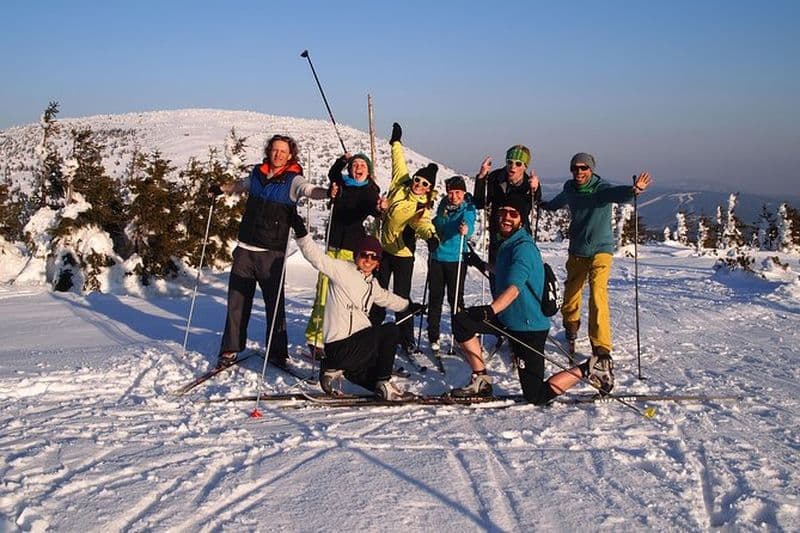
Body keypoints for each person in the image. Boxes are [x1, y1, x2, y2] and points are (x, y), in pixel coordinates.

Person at [450, 196, 604, 402]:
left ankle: (591, 368)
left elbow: (514, 289)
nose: (506, 217)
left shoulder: (523, 248)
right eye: (502, 212)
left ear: (521, 219)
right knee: (462, 321)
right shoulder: (509, 243)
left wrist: (490, 310)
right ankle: (481, 381)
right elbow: (505, 272)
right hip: (508, 319)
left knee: (536, 396)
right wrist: (481, 264)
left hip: (528, 328)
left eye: (513, 214)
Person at [211, 134, 329, 369]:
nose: (278, 154)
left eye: (283, 151)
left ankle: (277, 353)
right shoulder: (257, 173)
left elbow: (309, 190)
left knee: (275, 306)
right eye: (275, 150)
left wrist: (328, 193)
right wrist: (221, 189)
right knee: (237, 303)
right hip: (245, 249)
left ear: (290, 155)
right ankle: (230, 349)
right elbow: (240, 185)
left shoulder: (293, 180)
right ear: (269, 151)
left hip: (272, 253)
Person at [532, 152, 652, 378]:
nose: (579, 172)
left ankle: (601, 347)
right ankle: (571, 326)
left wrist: (634, 190)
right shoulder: (570, 188)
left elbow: (619, 194)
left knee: (598, 293)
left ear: (591, 169)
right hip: (577, 250)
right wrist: (544, 205)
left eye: (583, 168)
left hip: (601, 250)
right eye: (575, 168)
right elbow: (558, 202)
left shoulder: (600, 189)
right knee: (571, 294)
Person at [291, 215, 422, 400]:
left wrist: (409, 306)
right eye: (364, 255)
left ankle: (341, 372)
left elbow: (387, 298)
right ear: (356, 256)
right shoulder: (342, 270)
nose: (368, 260)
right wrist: (301, 233)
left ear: (378, 262)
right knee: (390, 330)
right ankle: (383, 383)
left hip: (355, 351)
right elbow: (317, 258)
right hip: (340, 345)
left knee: (372, 379)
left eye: (374, 257)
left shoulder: (372, 284)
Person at [304, 152, 382, 359]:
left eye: (362, 165)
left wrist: (380, 208)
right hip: (332, 247)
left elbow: (374, 209)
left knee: (346, 296)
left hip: (353, 251)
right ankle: (315, 339)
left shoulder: (370, 190)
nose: (358, 168)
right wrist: (342, 160)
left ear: (368, 170)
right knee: (323, 294)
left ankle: (344, 337)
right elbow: (333, 173)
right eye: (355, 165)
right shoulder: (340, 184)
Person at [370, 122, 439, 354]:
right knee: (378, 293)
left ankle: (405, 337)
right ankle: (372, 330)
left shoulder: (421, 206)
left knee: (401, 297)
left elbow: (423, 224)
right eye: (418, 180)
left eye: (424, 184)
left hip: (402, 255)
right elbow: (398, 162)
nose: (419, 184)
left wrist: (431, 237)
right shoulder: (401, 183)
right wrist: (396, 142)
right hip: (383, 250)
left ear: (429, 189)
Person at [427, 175, 476, 352]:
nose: (454, 196)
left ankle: (460, 335)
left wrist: (466, 230)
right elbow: (437, 224)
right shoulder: (443, 206)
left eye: (458, 192)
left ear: (463, 192)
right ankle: (433, 335)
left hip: (456, 259)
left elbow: (469, 224)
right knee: (435, 298)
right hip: (437, 257)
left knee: (455, 299)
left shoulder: (468, 208)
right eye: (451, 192)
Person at [472, 145, 541, 268]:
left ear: (525, 166)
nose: (512, 166)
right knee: (496, 271)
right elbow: (480, 203)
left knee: (518, 269)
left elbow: (534, 202)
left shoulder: (529, 183)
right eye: (509, 162)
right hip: (498, 234)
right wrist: (482, 177)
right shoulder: (494, 178)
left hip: (520, 235)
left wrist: (535, 189)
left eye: (518, 163)